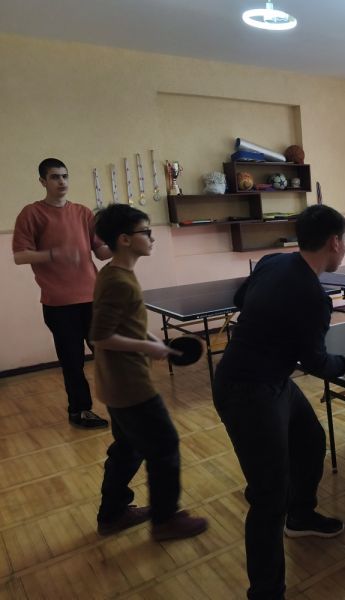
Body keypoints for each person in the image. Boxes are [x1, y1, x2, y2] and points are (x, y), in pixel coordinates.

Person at [212, 204, 345, 600]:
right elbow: (317, 364)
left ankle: (300, 515)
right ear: (334, 242)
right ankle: (266, 592)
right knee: (268, 496)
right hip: (247, 391)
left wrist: (270, 328)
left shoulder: (273, 261)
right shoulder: (314, 298)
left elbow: (240, 298)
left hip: (270, 380)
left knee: (310, 440)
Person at [91, 204, 208, 540]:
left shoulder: (113, 273)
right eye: (146, 232)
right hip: (130, 385)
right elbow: (100, 336)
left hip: (114, 383)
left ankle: (112, 513)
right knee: (164, 445)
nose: (152, 238)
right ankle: (165, 520)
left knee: (128, 449)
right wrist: (147, 347)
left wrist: (154, 340)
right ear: (125, 239)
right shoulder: (119, 282)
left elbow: (123, 323)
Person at [12, 158, 112, 428]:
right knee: (73, 362)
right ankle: (79, 411)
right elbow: (20, 256)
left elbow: (101, 252)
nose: (62, 182)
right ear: (42, 181)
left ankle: (122, 405)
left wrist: (124, 245)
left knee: (108, 354)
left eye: (65, 176)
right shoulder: (31, 214)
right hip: (59, 304)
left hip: (93, 299)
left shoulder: (82, 212)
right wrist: (54, 254)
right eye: (55, 177)